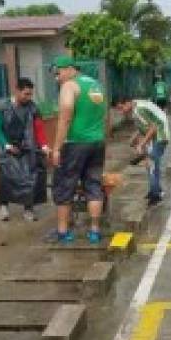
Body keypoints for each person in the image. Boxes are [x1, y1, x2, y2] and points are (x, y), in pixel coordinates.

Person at [51, 56, 107, 244]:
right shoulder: (96, 85)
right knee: (93, 185)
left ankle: (62, 231)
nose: (57, 78)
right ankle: (94, 231)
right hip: (97, 142)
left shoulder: (70, 86)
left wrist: (57, 148)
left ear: (68, 69)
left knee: (64, 186)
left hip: (75, 143)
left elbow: (65, 118)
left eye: (57, 73)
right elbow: (105, 117)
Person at [0, 77, 49, 223]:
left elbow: (38, 128)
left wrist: (44, 146)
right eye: (26, 94)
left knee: (29, 178)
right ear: (17, 91)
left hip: (26, 147)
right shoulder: (3, 107)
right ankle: (4, 207)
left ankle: (28, 210)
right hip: (6, 147)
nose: (28, 97)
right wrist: (6, 145)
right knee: (5, 177)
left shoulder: (33, 108)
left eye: (30, 94)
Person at [115, 96, 169, 206]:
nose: (121, 112)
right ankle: (155, 190)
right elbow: (144, 127)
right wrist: (135, 138)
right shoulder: (138, 106)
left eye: (121, 108)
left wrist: (141, 144)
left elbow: (153, 128)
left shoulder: (139, 110)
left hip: (159, 136)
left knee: (151, 165)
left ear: (128, 103)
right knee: (152, 165)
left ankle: (155, 196)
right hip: (157, 137)